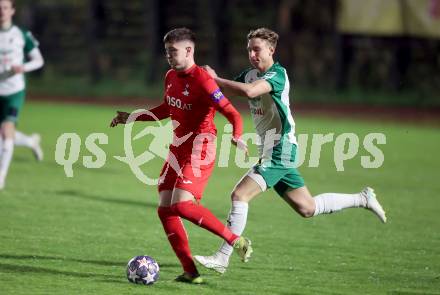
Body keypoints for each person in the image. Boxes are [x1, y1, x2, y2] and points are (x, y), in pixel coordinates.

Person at [194, 27, 387, 274]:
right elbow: (230, 90)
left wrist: (216, 79)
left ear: (271, 50)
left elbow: (250, 92)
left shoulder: (278, 74)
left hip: (280, 149)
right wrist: (207, 81)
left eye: (257, 49)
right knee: (307, 208)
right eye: (249, 50)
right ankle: (363, 198)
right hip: (271, 151)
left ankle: (223, 257)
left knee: (239, 195)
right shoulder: (249, 74)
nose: (252, 54)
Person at [110, 28, 252, 284]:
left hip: (201, 147)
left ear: (189, 50)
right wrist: (132, 117)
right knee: (165, 210)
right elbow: (166, 108)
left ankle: (236, 240)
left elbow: (233, 113)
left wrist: (237, 135)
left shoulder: (204, 81)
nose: (169, 57)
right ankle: (190, 271)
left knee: (182, 205)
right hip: (178, 147)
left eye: (173, 52)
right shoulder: (170, 76)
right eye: (166, 52)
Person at [0, 0, 44, 189]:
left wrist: (22, 68)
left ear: (12, 11)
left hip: (14, 92)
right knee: (2, 134)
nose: (1, 11)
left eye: (5, 7)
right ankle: (30, 141)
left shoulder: (21, 35)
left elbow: (39, 60)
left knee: (6, 130)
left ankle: (1, 177)